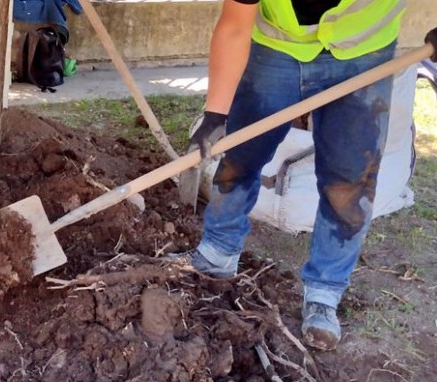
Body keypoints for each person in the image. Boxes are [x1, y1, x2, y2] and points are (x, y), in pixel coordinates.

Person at [173, 0, 437, 350]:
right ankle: (218, 253)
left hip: (364, 50)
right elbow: (236, 25)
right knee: (240, 154)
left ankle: (324, 293)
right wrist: (216, 113)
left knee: (350, 180)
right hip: (278, 48)